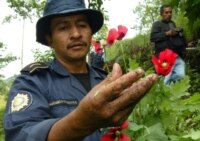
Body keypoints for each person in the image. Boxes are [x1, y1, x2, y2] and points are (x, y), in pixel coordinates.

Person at [3, 0, 158, 141]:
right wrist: (81, 121)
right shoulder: (33, 82)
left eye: (82, 25)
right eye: (63, 27)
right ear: (49, 39)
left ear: (91, 32)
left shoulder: (106, 80)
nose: (76, 34)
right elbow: (21, 135)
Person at [150, 4, 186, 85]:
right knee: (166, 80)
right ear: (161, 14)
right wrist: (167, 33)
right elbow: (152, 37)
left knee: (181, 75)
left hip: (174, 55)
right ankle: (162, 89)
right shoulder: (157, 24)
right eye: (166, 12)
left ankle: (165, 84)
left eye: (170, 12)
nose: (169, 14)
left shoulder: (172, 23)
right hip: (163, 57)